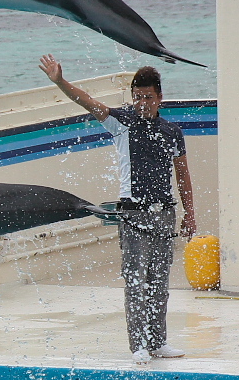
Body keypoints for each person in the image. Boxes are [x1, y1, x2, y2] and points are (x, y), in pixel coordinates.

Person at [39, 54, 195, 364]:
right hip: (133, 214)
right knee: (135, 280)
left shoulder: (171, 132)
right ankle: (138, 345)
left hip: (164, 212)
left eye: (148, 97)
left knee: (159, 281)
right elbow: (87, 101)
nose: (142, 103)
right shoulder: (121, 122)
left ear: (160, 97)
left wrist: (190, 214)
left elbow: (183, 175)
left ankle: (158, 341)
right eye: (137, 97)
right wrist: (60, 81)